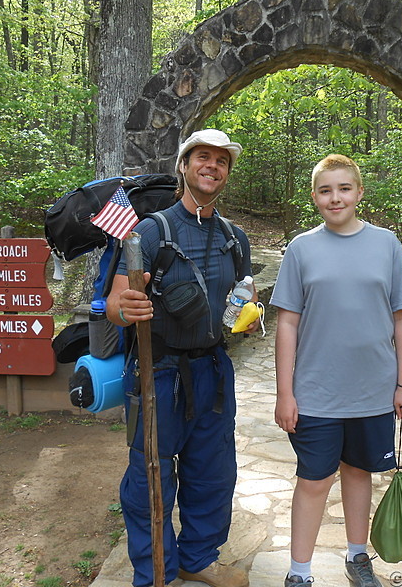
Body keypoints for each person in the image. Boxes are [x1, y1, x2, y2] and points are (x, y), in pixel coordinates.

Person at [106, 129, 257, 587]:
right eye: (202, 158)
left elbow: (241, 296)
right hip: (160, 372)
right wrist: (126, 308)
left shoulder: (236, 238)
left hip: (212, 368)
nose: (212, 166)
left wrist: (247, 318)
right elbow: (115, 304)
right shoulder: (152, 231)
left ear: (227, 173)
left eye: (221, 161)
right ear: (184, 166)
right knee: (149, 474)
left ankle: (199, 558)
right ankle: (155, 571)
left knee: (212, 471)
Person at [270, 154, 402, 587]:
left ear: (359, 192)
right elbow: (287, 323)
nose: (335, 197)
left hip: (373, 390)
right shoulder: (301, 249)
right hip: (316, 391)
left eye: (344, 188)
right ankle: (299, 573)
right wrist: (285, 393)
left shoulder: (387, 244)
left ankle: (357, 557)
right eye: (325, 190)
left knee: (359, 472)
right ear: (315, 197)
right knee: (314, 480)